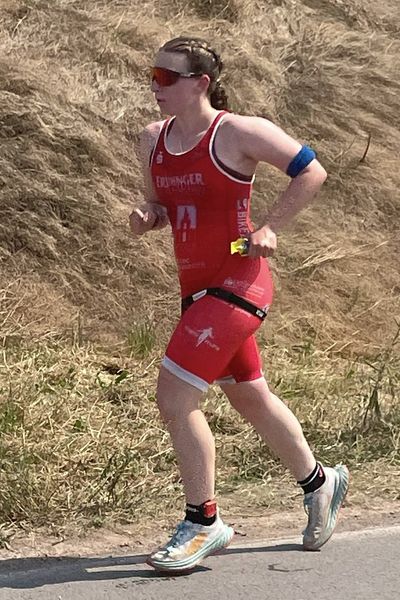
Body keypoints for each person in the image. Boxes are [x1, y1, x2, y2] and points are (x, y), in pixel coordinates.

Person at [129, 36, 349, 574]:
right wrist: (148, 215)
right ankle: (320, 483)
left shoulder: (238, 132)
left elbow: (312, 171)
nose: (155, 86)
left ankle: (203, 522)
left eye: (167, 78)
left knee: (175, 398)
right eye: (152, 75)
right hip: (196, 287)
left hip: (239, 282)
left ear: (200, 84)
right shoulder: (152, 139)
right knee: (250, 396)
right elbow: (162, 204)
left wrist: (270, 226)